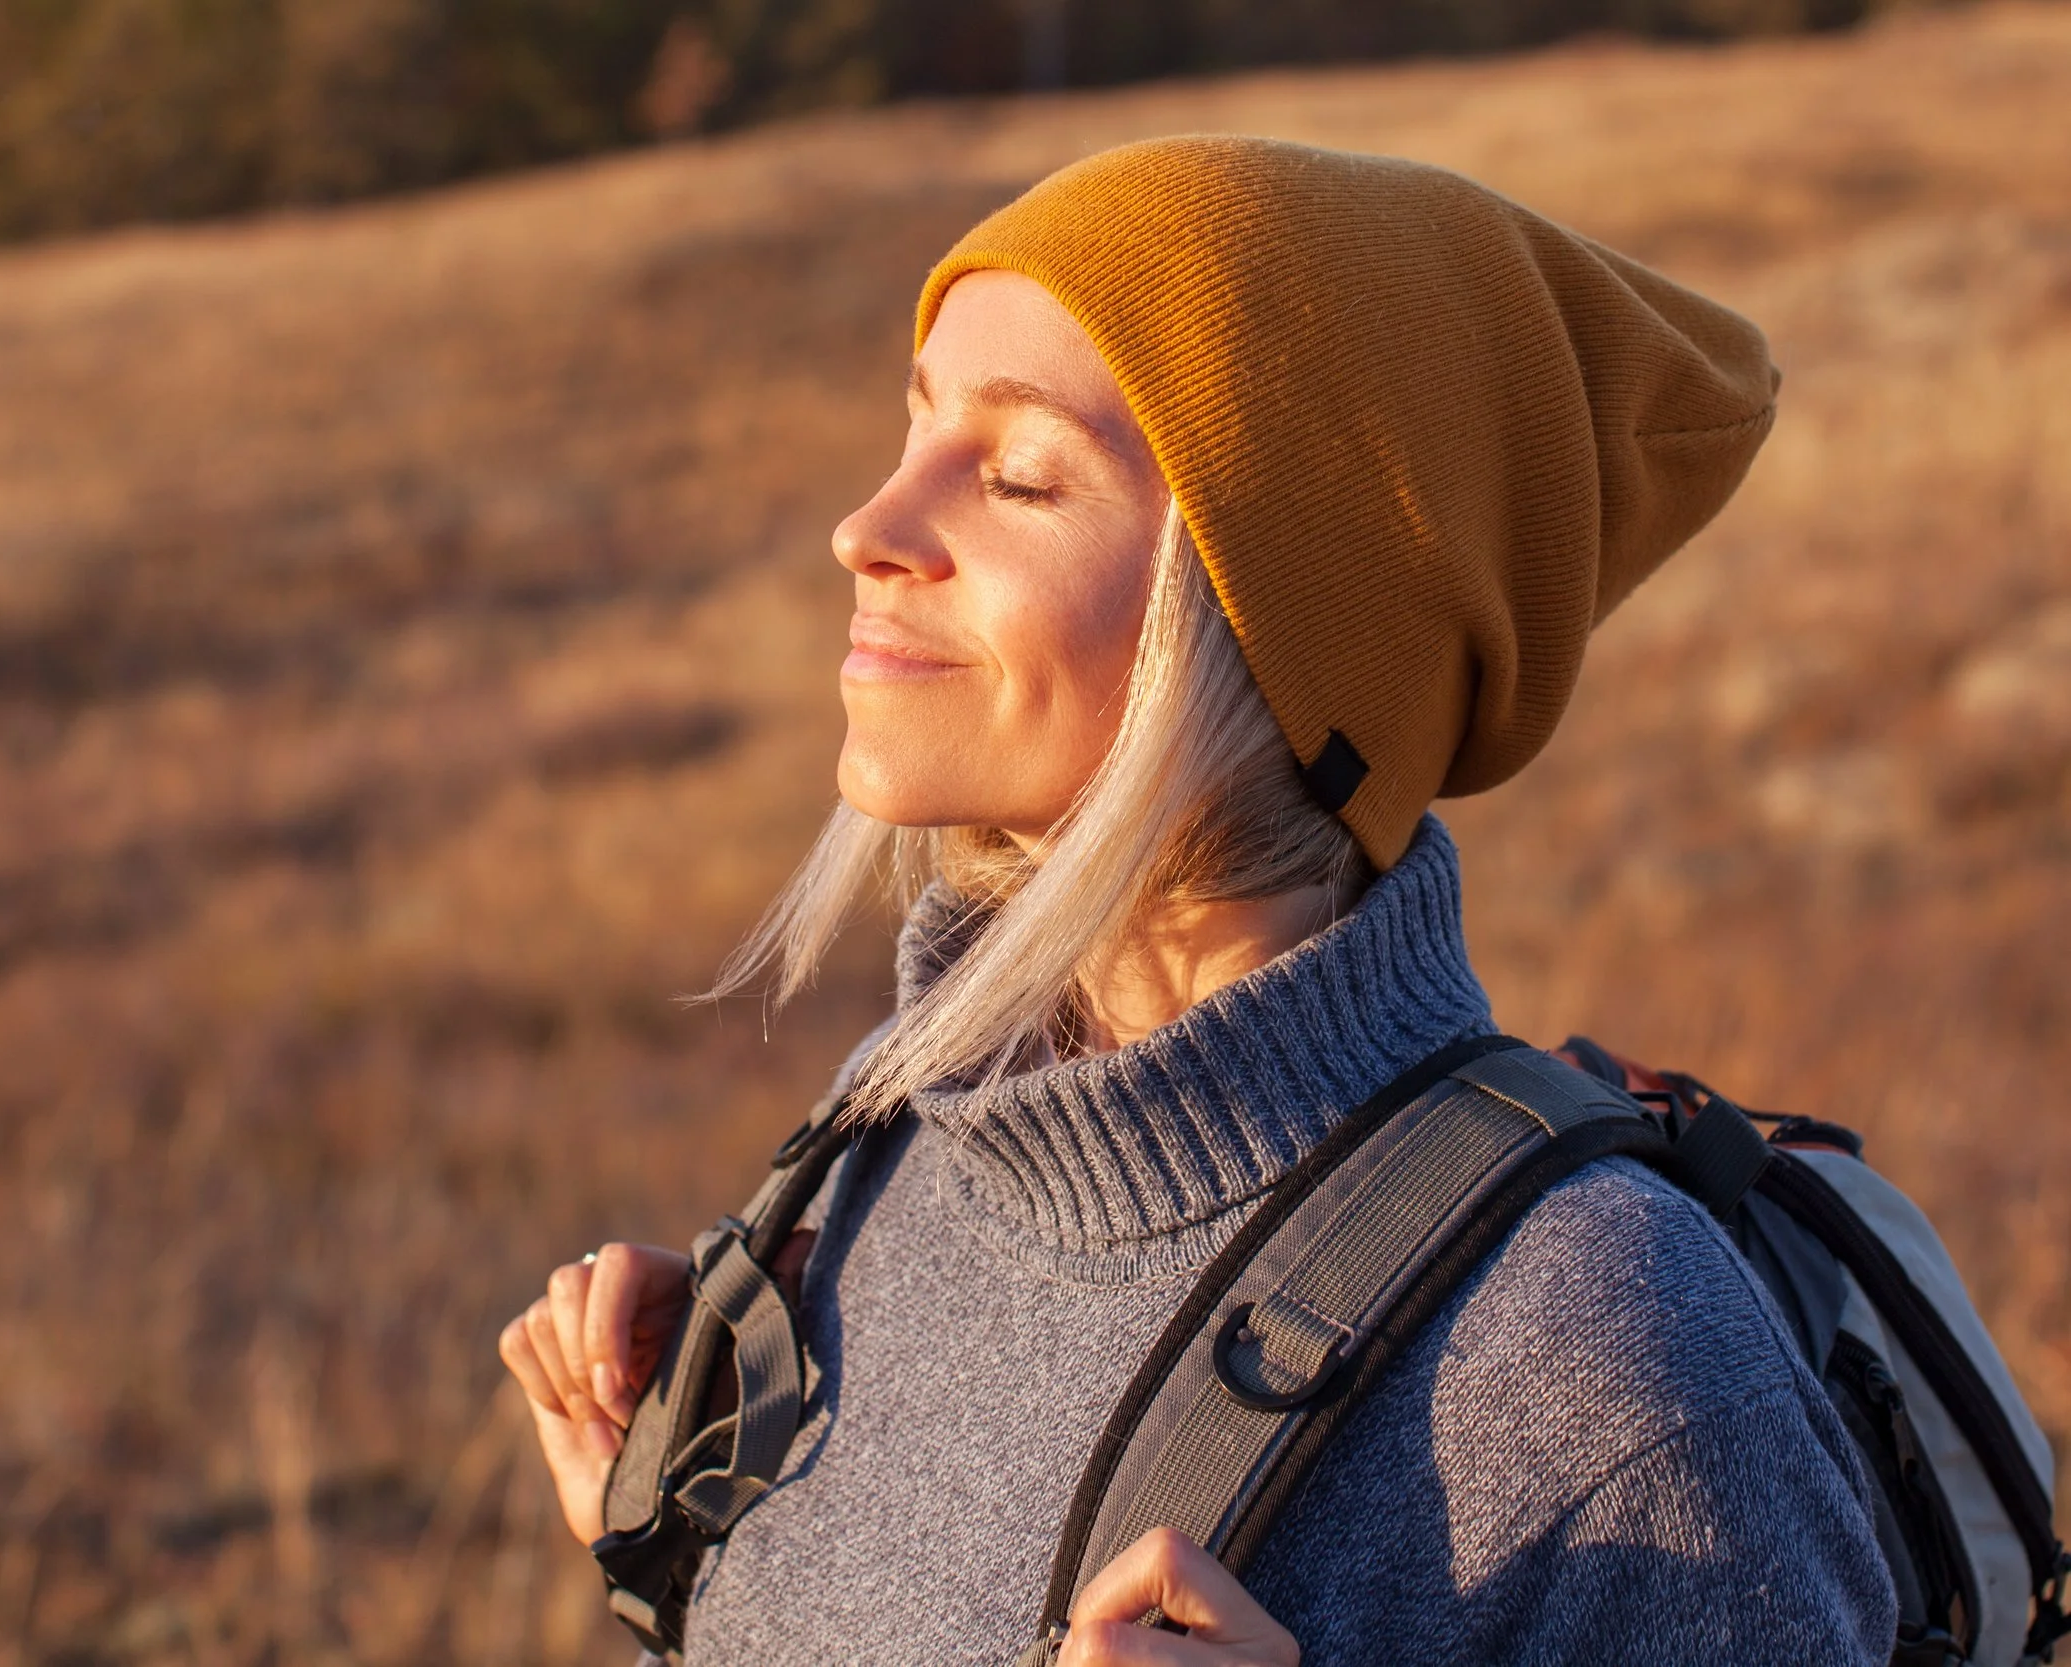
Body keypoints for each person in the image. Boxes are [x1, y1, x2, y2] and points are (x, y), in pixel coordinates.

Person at [500, 137, 1899, 1665]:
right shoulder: (896, 1130)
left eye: (1023, 474)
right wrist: (685, 1544)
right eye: (910, 429)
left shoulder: (1608, 1354)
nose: (870, 527)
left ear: (1283, 641)